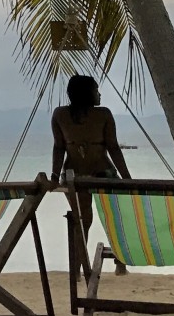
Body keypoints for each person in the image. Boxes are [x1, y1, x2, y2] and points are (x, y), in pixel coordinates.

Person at [51, 74, 132, 272]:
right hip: (82, 176)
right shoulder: (64, 115)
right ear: (86, 93)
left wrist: (127, 177)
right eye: (96, 90)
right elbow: (59, 147)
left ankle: (116, 262)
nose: (99, 94)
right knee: (89, 220)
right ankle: (81, 268)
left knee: (106, 218)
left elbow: (112, 147)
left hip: (92, 174)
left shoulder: (100, 114)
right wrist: (54, 176)